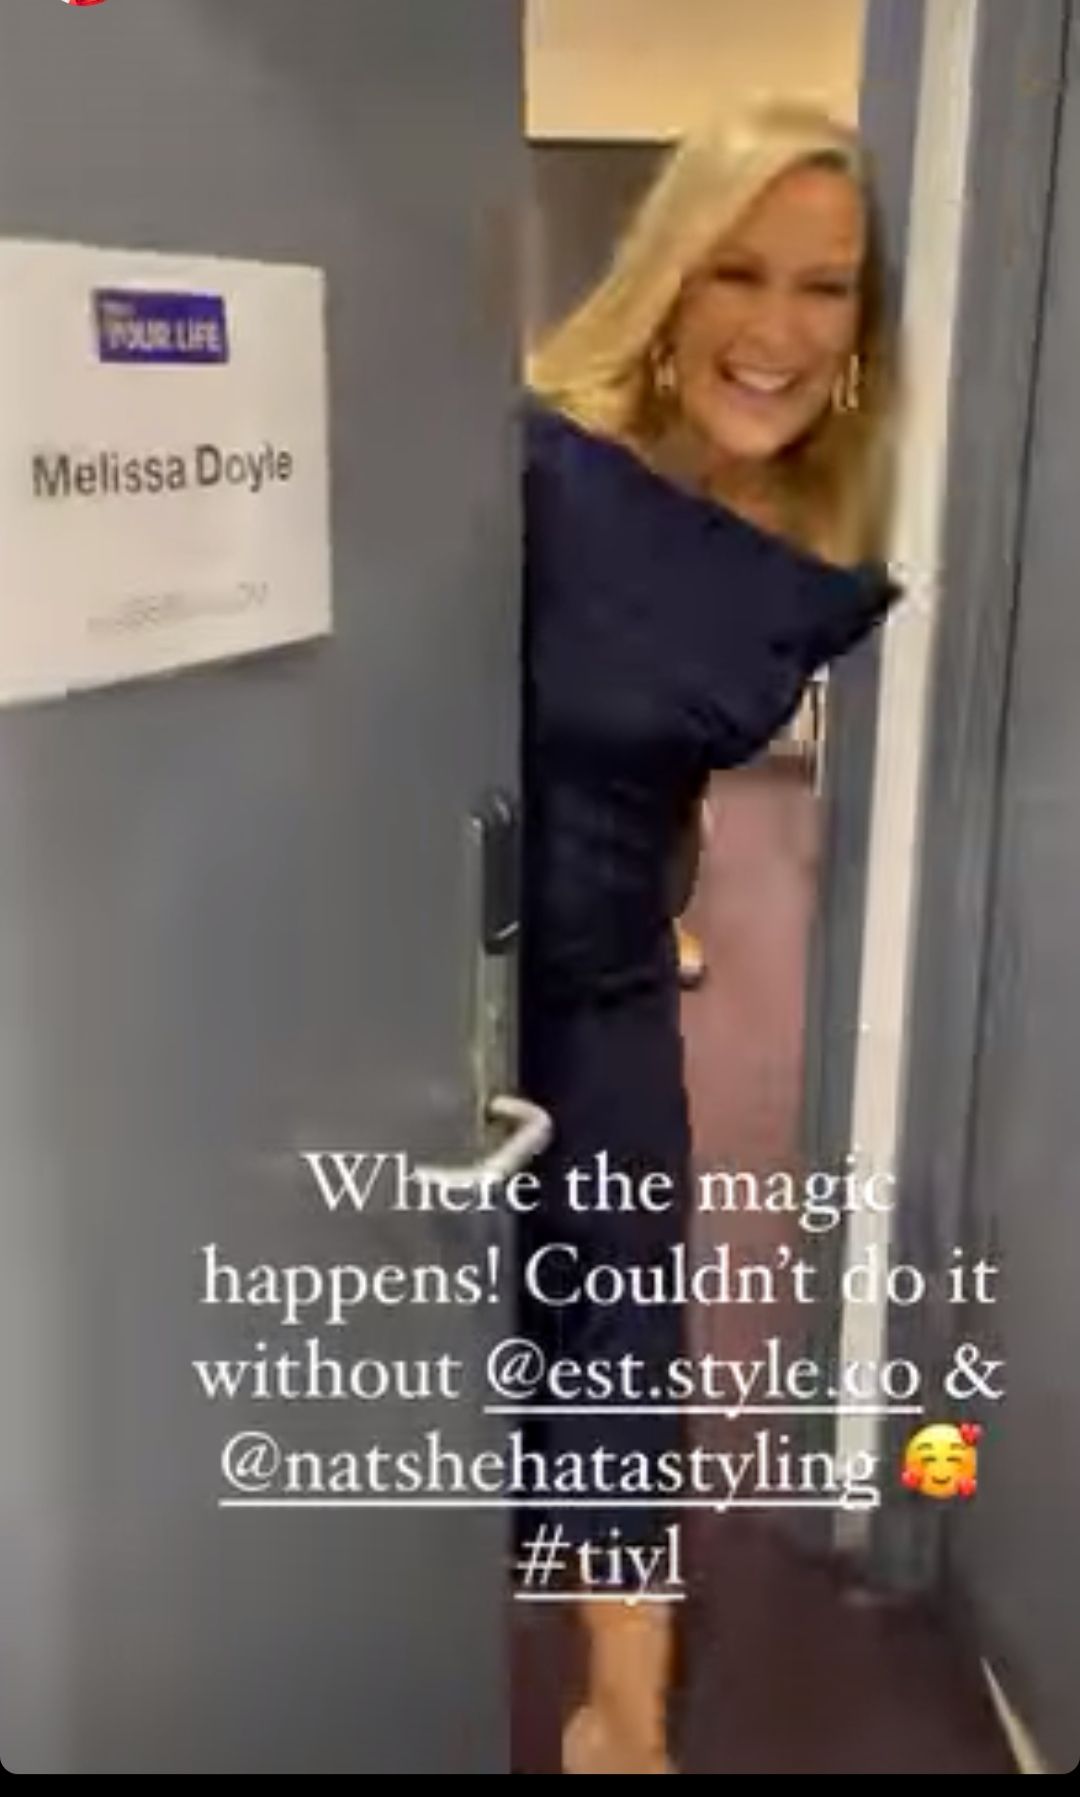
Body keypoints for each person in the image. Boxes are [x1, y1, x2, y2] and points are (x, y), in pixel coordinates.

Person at [516, 100, 902, 1774]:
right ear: (667, 275)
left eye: (825, 286)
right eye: (738, 271)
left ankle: (626, 1727)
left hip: (603, 985)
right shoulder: (531, 471)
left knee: (621, 1336)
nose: (778, 329)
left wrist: (653, 908)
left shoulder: (803, 530)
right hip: (425, 981)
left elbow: (649, 755)